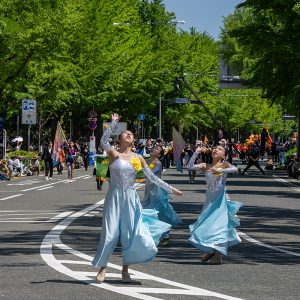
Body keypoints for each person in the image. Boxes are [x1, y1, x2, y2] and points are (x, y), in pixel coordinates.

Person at [92, 113, 183, 283]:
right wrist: (113, 123)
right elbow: (104, 141)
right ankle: (103, 267)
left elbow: (153, 177)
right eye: (124, 133)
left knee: (130, 234)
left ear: (133, 141)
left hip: (131, 198)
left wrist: (171, 189)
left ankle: (125, 270)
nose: (128, 134)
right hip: (114, 197)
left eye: (130, 134)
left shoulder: (138, 158)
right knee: (110, 234)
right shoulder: (113, 154)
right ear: (119, 140)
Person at [187, 145, 243, 264]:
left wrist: (220, 171)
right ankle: (212, 250)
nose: (216, 150)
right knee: (208, 224)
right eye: (215, 148)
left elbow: (235, 169)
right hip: (209, 200)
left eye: (220, 149)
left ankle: (217, 256)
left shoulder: (225, 165)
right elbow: (190, 166)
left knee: (219, 226)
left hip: (219, 200)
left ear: (223, 156)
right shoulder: (205, 166)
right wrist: (196, 152)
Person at [141, 145, 182, 246]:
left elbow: (151, 174)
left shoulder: (158, 163)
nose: (153, 149)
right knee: (151, 212)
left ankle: (156, 236)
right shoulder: (146, 161)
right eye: (153, 147)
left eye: (156, 149)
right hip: (149, 191)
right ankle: (162, 236)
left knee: (149, 212)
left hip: (157, 191)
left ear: (159, 155)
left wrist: (137, 176)